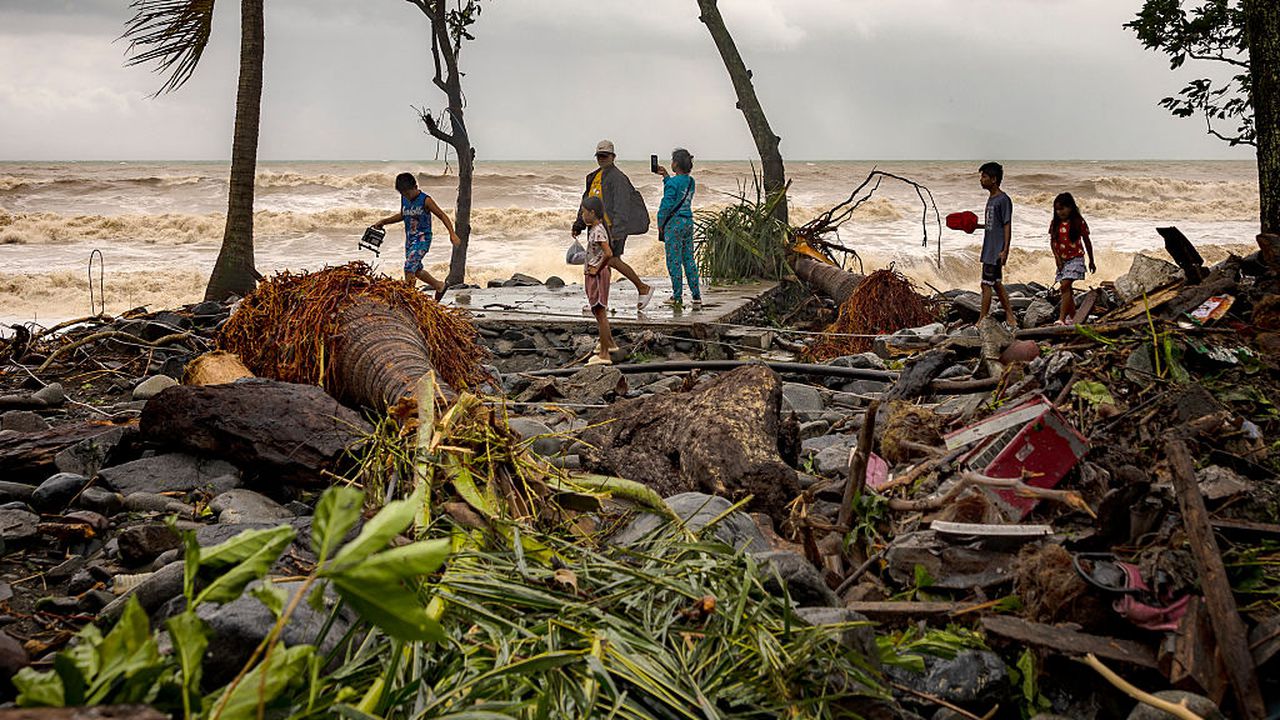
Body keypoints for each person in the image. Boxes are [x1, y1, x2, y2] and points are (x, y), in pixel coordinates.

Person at [571, 140, 655, 311]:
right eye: (599, 156)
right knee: (603, 264)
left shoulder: (618, 179)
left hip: (613, 229)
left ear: (613, 157)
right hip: (597, 228)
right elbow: (586, 203)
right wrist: (579, 224)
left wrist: (618, 231)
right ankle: (601, 302)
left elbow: (621, 206)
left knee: (612, 260)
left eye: (605, 156)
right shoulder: (593, 177)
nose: (602, 159)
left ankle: (642, 287)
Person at [373, 172, 461, 299]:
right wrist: (384, 221)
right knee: (417, 270)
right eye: (403, 194)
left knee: (409, 267)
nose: (406, 196)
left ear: (415, 187)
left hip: (423, 239)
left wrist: (452, 234)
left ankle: (408, 298)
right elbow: (403, 215)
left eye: (408, 193)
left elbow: (442, 215)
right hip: (410, 239)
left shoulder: (425, 200)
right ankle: (439, 286)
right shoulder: (404, 199)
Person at [654, 148, 701, 311]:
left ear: (675, 164)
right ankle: (696, 296)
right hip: (688, 222)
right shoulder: (691, 181)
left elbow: (666, 205)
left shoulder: (673, 183)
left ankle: (677, 296)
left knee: (674, 261)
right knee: (689, 259)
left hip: (673, 224)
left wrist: (660, 223)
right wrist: (666, 177)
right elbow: (678, 191)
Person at [973, 162, 1018, 328]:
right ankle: (1010, 316)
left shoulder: (1003, 200)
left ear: (994, 179)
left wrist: (1005, 250)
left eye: (984, 176)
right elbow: (992, 224)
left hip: (995, 250)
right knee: (997, 284)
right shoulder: (991, 199)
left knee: (986, 284)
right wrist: (975, 226)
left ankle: (982, 319)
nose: (981, 179)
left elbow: (1007, 225)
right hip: (989, 249)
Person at [1048, 192, 1096, 325]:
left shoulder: (1078, 222)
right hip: (1063, 261)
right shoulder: (1055, 223)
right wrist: (1057, 258)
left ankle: (1061, 319)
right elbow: (1053, 242)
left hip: (1076, 258)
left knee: (1065, 285)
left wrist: (1091, 260)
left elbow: (1087, 241)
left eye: (1063, 208)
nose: (1060, 212)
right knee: (1066, 289)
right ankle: (1074, 317)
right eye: (1057, 209)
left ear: (1070, 207)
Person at [580, 197, 616, 365]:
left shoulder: (598, 231)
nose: (582, 215)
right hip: (595, 273)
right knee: (598, 312)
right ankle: (609, 344)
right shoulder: (595, 229)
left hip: (598, 275)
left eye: (584, 212)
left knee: (600, 313)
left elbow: (608, 253)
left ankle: (604, 354)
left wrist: (598, 269)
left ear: (592, 213)